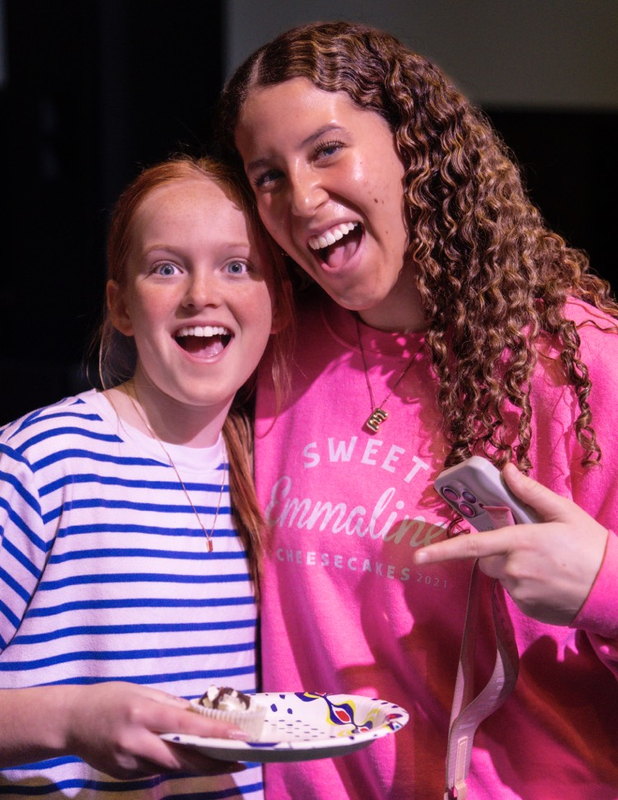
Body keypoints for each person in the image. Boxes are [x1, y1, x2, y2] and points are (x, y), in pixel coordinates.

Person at [216, 20, 618, 800]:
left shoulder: (574, 362)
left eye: (327, 150)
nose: (301, 198)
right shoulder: (279, 352)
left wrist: (602, 584)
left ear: (413, 147)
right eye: (267, 176)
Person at [0, 155, 291, 798]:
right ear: (122, 307)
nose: (201, 294)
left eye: (236, 266)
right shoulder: (43, 461)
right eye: (166, 268)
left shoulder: (270, 470)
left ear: (277, 302)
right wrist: (71, 720)